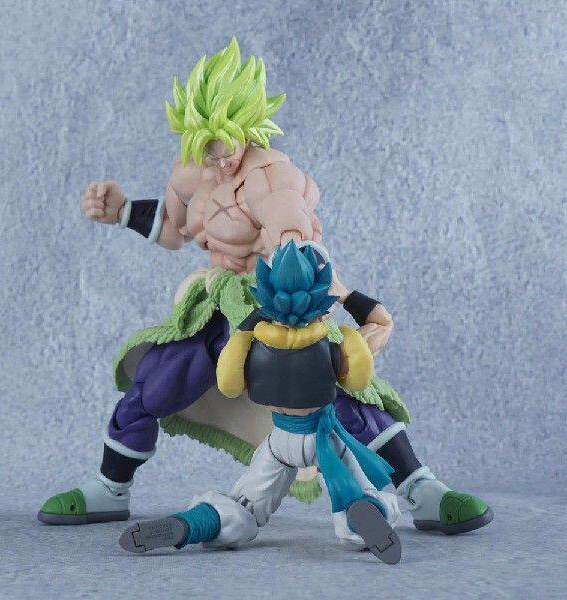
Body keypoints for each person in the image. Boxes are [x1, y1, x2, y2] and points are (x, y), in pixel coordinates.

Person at [38, 38, 492, 537]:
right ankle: (111, 488)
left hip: (276, 306)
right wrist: (123, 211)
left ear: (248, 128)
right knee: (154, 382)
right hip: (214, 305)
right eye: (206, 144)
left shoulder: (270, 177)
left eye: (226, 144)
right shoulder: (191, 169)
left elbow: (297, 244)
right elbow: (176, 228)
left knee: (340, 391)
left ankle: (422, 489)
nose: (217, 158)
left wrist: (330, 297)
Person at [119, 242, 402, 564]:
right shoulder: (338, 347)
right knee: (359, 492)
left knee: (245, 504)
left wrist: (253, 320)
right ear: (323, 299)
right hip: (323, 440)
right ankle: (360, 513)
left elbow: (229, 385)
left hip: (279, 442)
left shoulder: (248, 345)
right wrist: (346, 295)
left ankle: (196, 524)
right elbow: (379, 332)